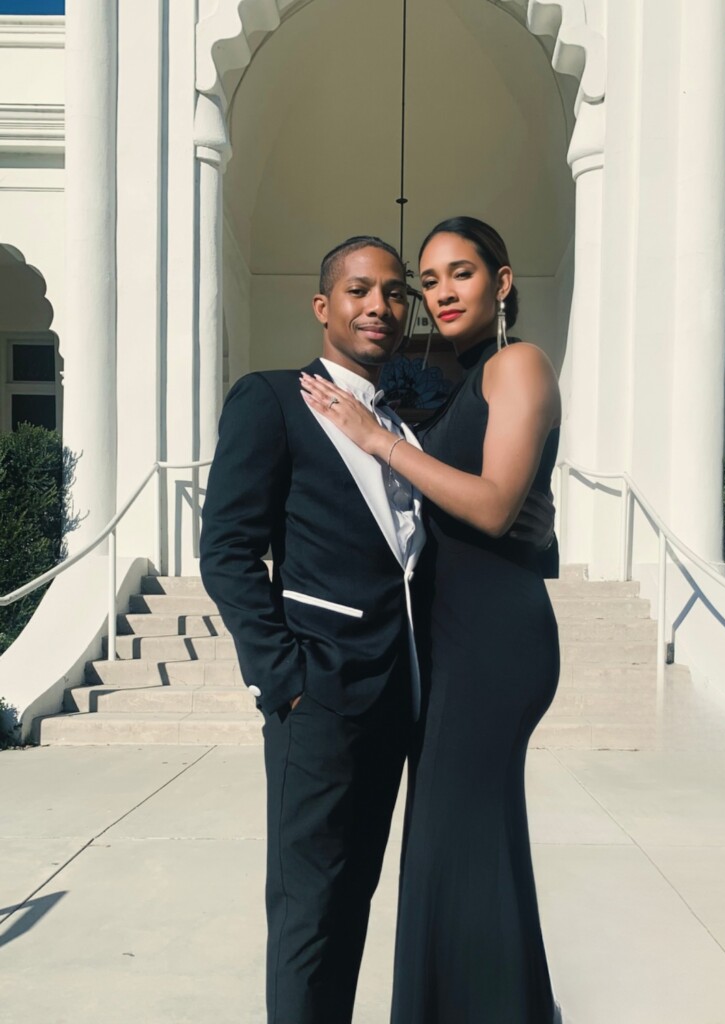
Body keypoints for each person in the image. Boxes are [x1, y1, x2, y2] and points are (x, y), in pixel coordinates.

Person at [200, 233, 553, 1024]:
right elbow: (225, 552)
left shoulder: (409, 415)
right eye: (360, 290)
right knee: (309, 913)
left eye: (398, 292)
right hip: (318, 696)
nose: (381, 306)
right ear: (324, 306)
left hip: (407, 694)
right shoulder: (271, 399)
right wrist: (283, 681)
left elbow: (482, 496)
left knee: (355, 896)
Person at [300, 216, 563, 1023]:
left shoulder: (518, 364)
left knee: (461, 844)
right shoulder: (467, 378)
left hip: (495, 643)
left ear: (502, 282)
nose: (441, 293)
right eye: (430, 281)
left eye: (461, 274)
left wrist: (377, 441)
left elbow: (489, 507)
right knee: (452, 849)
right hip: (447, 643)